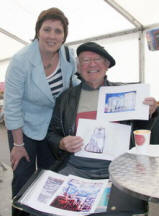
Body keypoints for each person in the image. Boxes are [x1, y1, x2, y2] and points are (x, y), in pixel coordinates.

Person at [47, 42, 158, 215]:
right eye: (85, 60)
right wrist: (61, 142)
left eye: (97, 59)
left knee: (121, 212)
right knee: (58, 209)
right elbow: (51, 133)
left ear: (106, 65)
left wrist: (149, 113)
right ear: (79, 67)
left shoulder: (127, 93)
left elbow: (140, 130)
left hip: (120, 168)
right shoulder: (66, 98)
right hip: (76, 167)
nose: (91, 64)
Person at [4, 7, 79, 216]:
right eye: (47, 29)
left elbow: (75, 83)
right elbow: (12, 106)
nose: (52, 36)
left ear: (64, 36)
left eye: (58, 31)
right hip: (24, 127)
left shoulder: (68, 55)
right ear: (38, 31)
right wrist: (18, 145)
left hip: (53, 127)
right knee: (23, 177)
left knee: (51, 177)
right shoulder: (21, 61)